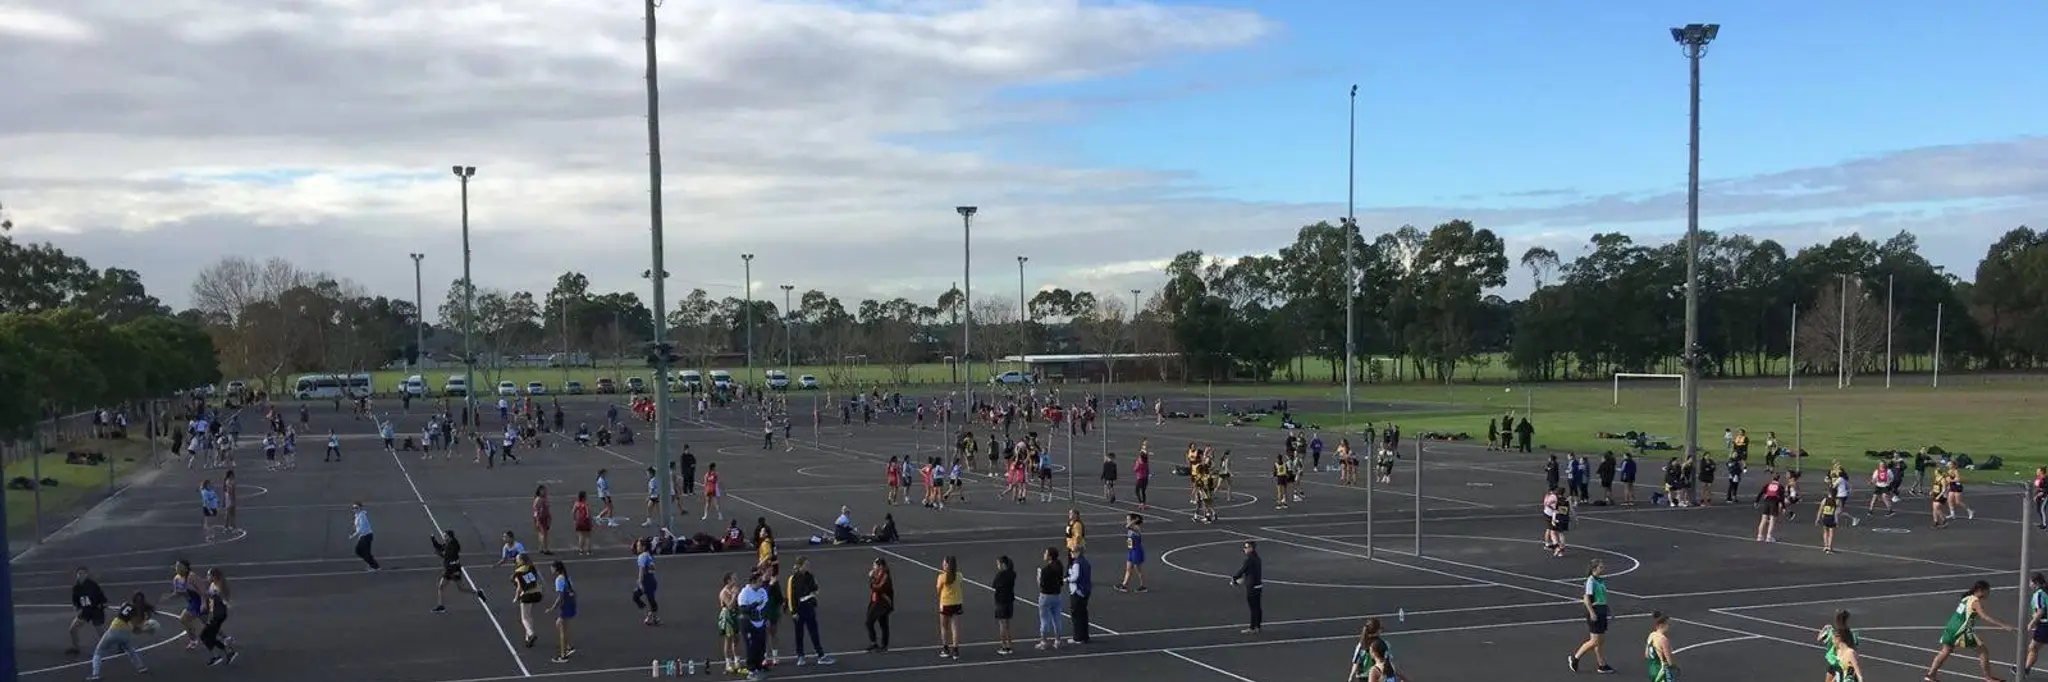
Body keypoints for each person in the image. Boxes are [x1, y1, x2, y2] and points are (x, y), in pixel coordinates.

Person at [1924, 580, 2011, 681]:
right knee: (1983, 651)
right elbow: (1984, 616)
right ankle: (1988, 678)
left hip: (1951, 627)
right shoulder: (1975, 601)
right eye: (1987, 591)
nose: (1988, 593)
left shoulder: (1966, 598)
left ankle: (1931, 675)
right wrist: (2003, 625)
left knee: (1945, 651)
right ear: (1980, 590)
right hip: (1962, 631)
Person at [90, 592, 155, 680]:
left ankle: (95, 674)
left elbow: (121, 613)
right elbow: (136, 630)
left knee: (98, 651)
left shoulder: (125, 604)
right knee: (130, 650)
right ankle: (141, 667)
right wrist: (147, 630)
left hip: (113, 630)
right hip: (125, 634)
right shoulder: (139, 613)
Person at [785, 555, 833, 665]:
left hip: (809, 608)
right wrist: (793, 612)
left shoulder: (810, 576)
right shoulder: (793, 579)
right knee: (799, 634)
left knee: (814, 632)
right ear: (800, 566)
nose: (808, 566)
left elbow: (815, 589)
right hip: (799, 609)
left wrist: (815, 589)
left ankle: (820, 655)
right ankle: (800, 656)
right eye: (806, 565)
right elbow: (790, 596)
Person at [1569, 558, 1613, 674]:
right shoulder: (1591, 581)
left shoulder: (1601, 581)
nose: (1603, 569)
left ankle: (1601, 665)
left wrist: (1609, 610)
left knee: (1601, 640)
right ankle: (1575, 658)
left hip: (1602, 610)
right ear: (1594, 569)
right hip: (1595, 611)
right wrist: (1592, 613)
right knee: (1594, 641)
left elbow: (1603, 598)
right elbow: (1586, 599)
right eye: (1601, 567)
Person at [429, 529, 485, 612]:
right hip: (449, 569)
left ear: (450, 536)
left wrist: (440, 554)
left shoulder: (453, 545)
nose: (444, 537)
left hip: (453, 569)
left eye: (445, 536)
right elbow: (440, 547)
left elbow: (447, 556)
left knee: (459, 588)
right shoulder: (447, 543)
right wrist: (433, 540)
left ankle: (478, 592)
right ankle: (441, 606)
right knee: (445, 587)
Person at [67, 566, 111, 657]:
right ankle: (76, 648)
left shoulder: (93, 585)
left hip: (95, 611)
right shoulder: (76, 588)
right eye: (79, 574)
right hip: (85, 611)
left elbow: (102, 598)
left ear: (87, 574)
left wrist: (102, 604)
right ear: (76, 575)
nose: (81, 575)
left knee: (101, 632)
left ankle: (117, 644)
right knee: (72, 629)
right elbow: (76, 601)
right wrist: (77, 608)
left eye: (83, 573)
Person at [198, 568, 237, 666]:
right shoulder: (213, 585)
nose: (207, 577)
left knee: (205, 636)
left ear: (214, 576)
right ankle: (227, 653)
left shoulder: (218, 587)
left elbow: (222, 598)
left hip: (219, 615)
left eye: (208, 575)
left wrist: (225, 602)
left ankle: (219, 656)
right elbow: (210, 597)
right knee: (207, 636)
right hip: (216, 615)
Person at [738, 571, 772, 680]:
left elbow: (766, 606)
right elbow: (743, 609)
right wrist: (755, 604)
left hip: (760, 623)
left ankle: (758, 667)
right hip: (749, 624)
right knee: (751, 648)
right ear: (753, 581)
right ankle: (751, 671)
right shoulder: (745, 593)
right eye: (759, 581)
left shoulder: (762, 591)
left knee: (761, 647)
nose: (761, 583)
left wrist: (766, 618)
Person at [545, 561, 577, 663]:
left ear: (556, 569)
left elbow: (560, 597)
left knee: (562, 630)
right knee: (559, 624)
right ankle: (568, 647)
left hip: (565, 606)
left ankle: (563, 656)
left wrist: (553, 608)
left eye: (552, 568)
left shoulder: (558, 580)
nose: (551, 570)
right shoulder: (567, 577)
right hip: (571, 603)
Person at [511, 551, 544, 648]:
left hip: (527, 595)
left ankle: (531, 634)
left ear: (521, 560)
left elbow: (519, 588)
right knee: (529, 615)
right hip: (537, 593)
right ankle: (528, 638)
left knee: (524, 618)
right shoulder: (532, 567)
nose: (516, 560)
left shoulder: (518, 572)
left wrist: (516, 597)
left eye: (517, 559)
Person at [1035, 547, 1064, 650]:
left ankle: (1044, 641)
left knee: (1045, 620)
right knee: (1057, 619)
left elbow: (1041, 586)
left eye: (1045, 553)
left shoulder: (1045, 570)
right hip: (1057, 595)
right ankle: (1058, 640)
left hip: (1045, 596)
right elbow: (1061, 582)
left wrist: (1038, 577)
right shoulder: (1059, 566)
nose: (1044, 554)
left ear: (1050, 556)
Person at [1231, 541, 1262, 634]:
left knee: (1253, 608)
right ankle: (1258, 626)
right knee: (1258, 607)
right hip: (1258, 585)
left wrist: (1234, 579)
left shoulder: (1249, 559)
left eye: (1246, 547)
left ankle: (1252, 627)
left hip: (1251, 587)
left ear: (1251, 548)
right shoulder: (1257, 558)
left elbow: (1242, 570)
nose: (1244, 549)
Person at [936, 556, 964, 659]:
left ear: (947, 565)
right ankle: (955, 650)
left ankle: (946, 649)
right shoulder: (959, 575)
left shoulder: (942, 577)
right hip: (957, 603)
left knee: (944, 627)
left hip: (946, 603)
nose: (942, 565)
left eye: (944, 563)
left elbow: (938, 590)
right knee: (955, 628)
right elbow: (960, 586)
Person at [865, 558, 895, 652]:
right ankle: (875, 643)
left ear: (880, 566)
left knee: (881, 623)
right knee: (871, 622)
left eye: (875, 565)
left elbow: (878, 588)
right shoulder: (878, 574)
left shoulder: (885, 576)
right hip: (876, 601)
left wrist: (871, 578)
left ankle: (883, 645)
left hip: (883, 603)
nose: (873, 567)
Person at [1066, 547, 1093, 644]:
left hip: (1078, 591)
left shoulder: (1077, 563)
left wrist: (1067, 579)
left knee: (1076, 615)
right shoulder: (1085, 562)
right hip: (1086, 590)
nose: (1071, 553)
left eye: (1072, 552)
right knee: (1083, 614)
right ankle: (1084, 636)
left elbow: (1075, 577)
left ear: (1078, 552)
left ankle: (1077, 637)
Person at [992, 556, 1017, 656]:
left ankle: (1004, 646)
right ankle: (1009, 645)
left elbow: (994, 585)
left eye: (998, 564)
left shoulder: (1000, 575)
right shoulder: (1012, 574)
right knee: (1007, 625)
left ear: (1003, 564)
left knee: (1002, 625)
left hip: (1001, 601)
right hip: (1009, 601)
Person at [1116, 514, 1147, 593]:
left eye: (1128, 519)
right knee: (1128, 569)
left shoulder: (1136, 527)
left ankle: (1142, 586)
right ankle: (1124, 585)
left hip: (1136, 551)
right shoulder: (1131, 528)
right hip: (1131, 550)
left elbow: (1127, 526)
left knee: (1138, 570)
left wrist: (1135, 520)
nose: (1127, 521)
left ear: (1133, 520)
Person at [2027, 572, 2048, 678]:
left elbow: (2040, 611)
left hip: (2044, 625)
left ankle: (2025, 670)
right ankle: (2026, 669)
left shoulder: (2039, 594)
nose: (2029, 584)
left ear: (2035, 582)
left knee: (2033, 647)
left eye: (2030, 582)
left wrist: (2031, 623)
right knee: (2033, 647)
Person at [1644, 611, 1675, 682]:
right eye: (1667, 624)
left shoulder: (1651, 635)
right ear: (1662, 625)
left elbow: (1646, 655)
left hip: (1652, 668)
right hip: (1662, 669)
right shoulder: (1663, 639)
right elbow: (1668, 660)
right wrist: (1673, 666)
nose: (1668, 626)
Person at [348, 502, 380, 570]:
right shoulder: (357, 516)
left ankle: (374, 565)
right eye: (353, 508)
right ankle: (373, 565)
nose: (354, 509)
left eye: (356, 508)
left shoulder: (362, 516)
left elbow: (361, 529)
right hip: (363, 536)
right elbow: (357, 527)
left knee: (359, 550)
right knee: (363, 552)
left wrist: (353, 535)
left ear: (359, 508)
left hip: (367, 536)